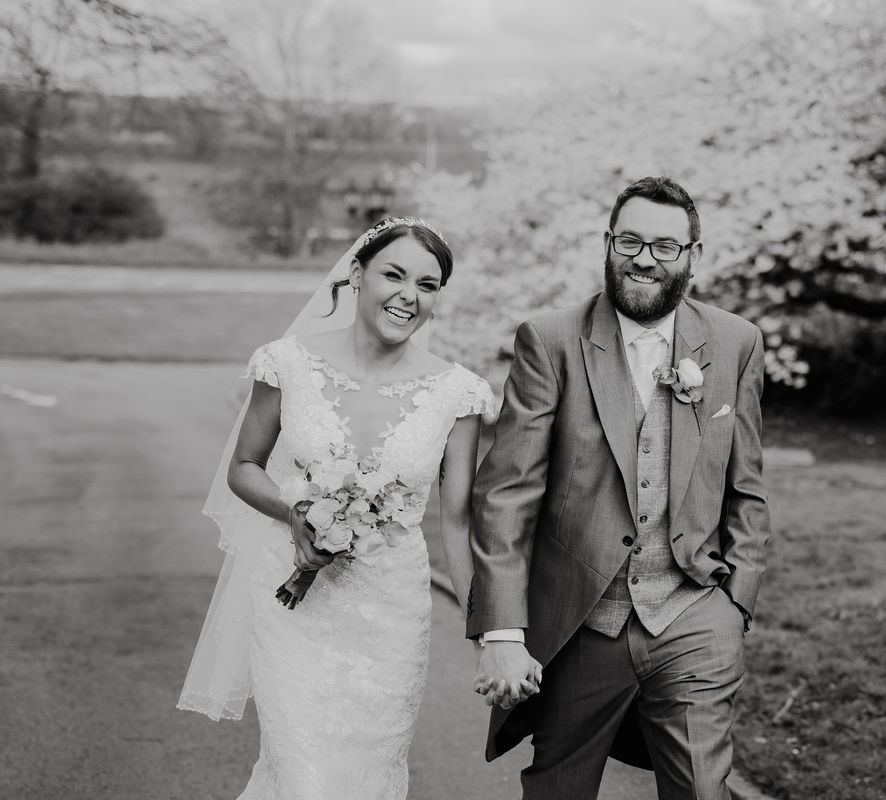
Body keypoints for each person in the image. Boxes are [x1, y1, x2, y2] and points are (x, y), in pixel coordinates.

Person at [178, 217, 537, 798]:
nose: (408, 296)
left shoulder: (458, 393)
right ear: (354, 273)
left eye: (427, 285)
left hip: (391, 611)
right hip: (292, 606)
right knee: (303, 775)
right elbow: (243, 468)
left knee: (367, 776)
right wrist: (295, 512)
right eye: (393, 275)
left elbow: (456, 521)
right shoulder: (286, 363)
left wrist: (488, 637)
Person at [467, 176, 772, 798]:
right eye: (630, 241)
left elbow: (748, 485)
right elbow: (506, 496)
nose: (645, 258)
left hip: (693, 613)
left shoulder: (736, 342)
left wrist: (736, 598)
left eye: (665, 246)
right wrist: (502, 632)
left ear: (693, 255)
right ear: (608, 244)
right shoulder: (550, 340)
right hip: (582, 619)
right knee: (560, 788)